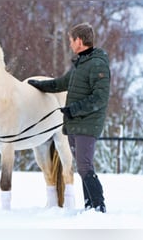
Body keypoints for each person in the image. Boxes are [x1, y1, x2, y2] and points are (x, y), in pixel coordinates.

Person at [28, 22, 110, 213]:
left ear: (79, 41)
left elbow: (100, 98)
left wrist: (74, 109)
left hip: (87, 124)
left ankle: (98, 206)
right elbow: (61, 83)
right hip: (75, 123)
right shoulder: (81, 64)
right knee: (83, 166)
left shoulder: (97, 64)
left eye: (72, 40)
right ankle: (90, 205)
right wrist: (39, 85)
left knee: (84, 166)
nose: (70, 44)